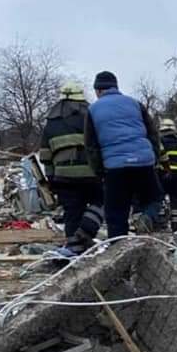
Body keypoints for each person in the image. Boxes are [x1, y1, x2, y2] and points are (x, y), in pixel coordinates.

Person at [84, 71, 164, 238]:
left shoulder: (92, 110)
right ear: (116, 87)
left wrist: (100, 171)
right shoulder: (135, 104)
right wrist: (153, 157)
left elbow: (91, 145)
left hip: (115, 168)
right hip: (143, 163)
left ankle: (118, 248)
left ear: (98, 90)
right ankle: (147, 217)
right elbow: (153, 133)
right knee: (154, 199)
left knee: (116, 213)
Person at [39, 83, 104, 254]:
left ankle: (74, 252)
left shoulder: (51, 123)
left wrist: (51, 179)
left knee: (72, 212)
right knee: (101, 201)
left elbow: (45, 156)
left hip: (63, 176)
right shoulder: (91, 116)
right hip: (91, 174)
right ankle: (85, 232)